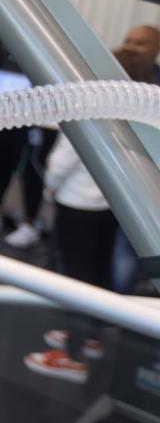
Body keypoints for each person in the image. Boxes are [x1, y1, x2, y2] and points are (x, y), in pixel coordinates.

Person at [23, 48, 152, 382]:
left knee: (77, 278)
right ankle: (90, 337)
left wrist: (49, 189)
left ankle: (72, 356)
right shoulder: (138, 108)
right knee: (97, 272)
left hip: (76, 206)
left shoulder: (91, 107)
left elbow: (62, 163)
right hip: (107, 206)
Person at [0, 46, 57, 250]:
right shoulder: (5, 44)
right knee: (1, 164)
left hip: (38, 119)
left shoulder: (51, 49)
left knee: (31, 173)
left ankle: (29, 224)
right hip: (5, 112)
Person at [108, 26, 160, 293]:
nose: (130, 47)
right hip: (119, 174)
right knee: (123, 243)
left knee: (130, 243)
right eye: (128, 40)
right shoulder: (111, 80)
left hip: (151, 178)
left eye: (139, 43)